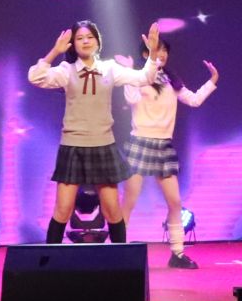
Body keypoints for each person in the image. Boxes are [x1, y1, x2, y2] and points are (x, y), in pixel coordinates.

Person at [28, 21, 161, 246]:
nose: (85, 41)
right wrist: (55, 52)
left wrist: (153, 52)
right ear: (73, 44)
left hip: (103, 145)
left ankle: (121, 261)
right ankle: (50, 262)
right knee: (62, 210)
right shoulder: (66, 70)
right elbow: (35, 77)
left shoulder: (110, 68)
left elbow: (144, 78)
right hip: (73, 147)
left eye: (89, 37)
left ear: (98, 41)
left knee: (112, 210)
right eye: (80, 38)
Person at [117, 37, 218, 269]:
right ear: (146, 54)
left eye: (165, 50)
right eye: (156, 49)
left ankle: (177, 253)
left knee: (174, 202)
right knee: (129, 200)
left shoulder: (171, 80)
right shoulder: (139, 77)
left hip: (163, 145)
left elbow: (194, 100)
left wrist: (212, 80)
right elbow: (131, 98)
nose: (162, 54)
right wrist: (129, 73)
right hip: (140, 142)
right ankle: (117, 250)